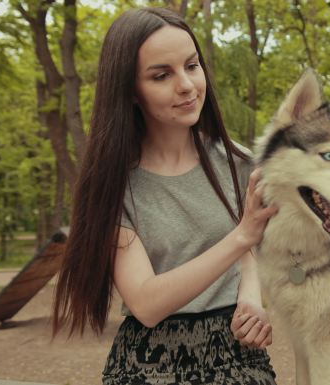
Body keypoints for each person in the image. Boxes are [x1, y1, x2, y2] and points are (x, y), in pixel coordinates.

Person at [51, 7, 279, 385]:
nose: (187, 85)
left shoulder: (240, 163)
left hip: (238, 358)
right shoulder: (112, 184)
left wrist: (251, 299)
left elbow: (251, 250)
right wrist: (240, 235)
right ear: (131, 91)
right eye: (162, 75)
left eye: (192, 66)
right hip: (149, 364)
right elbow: (146, 302)